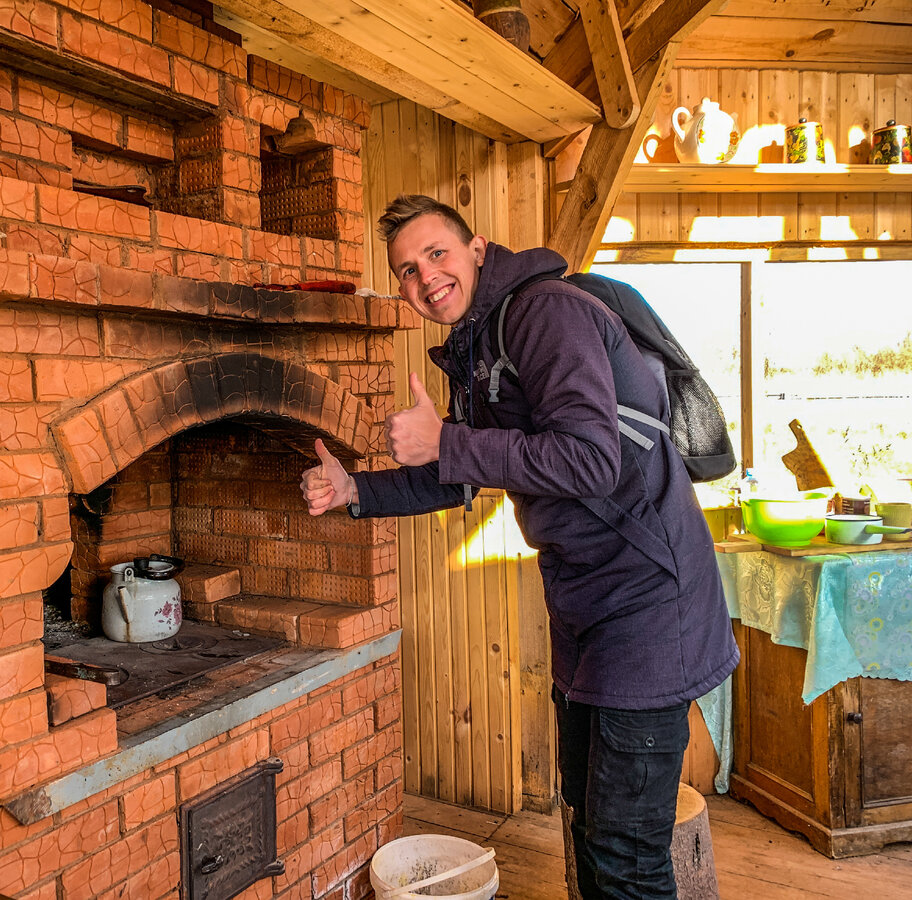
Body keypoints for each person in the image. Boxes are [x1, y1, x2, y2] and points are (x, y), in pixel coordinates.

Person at [300, 194, 739, 899]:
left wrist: (446, 440)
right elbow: (464, 474)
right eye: (406, 271)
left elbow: (590, 460)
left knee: (627, 850)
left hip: (652, 606)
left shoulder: (544, 314)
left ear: (476, 249)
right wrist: (356, 490)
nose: (424, 278)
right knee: (591, 824)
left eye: (436, 254)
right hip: (586, 610)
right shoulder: (481, 344)